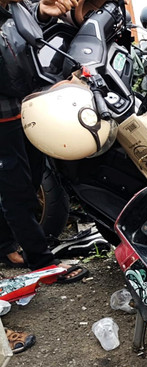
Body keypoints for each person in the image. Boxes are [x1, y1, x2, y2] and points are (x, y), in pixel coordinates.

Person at [0, 0, 88, 284]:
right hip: (2, 114)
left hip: (27, 102)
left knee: (32, 178)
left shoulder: (16, 4)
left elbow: (25, 24)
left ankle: (5, 245)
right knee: (16, 189)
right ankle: (43, 263)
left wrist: (40, 11)